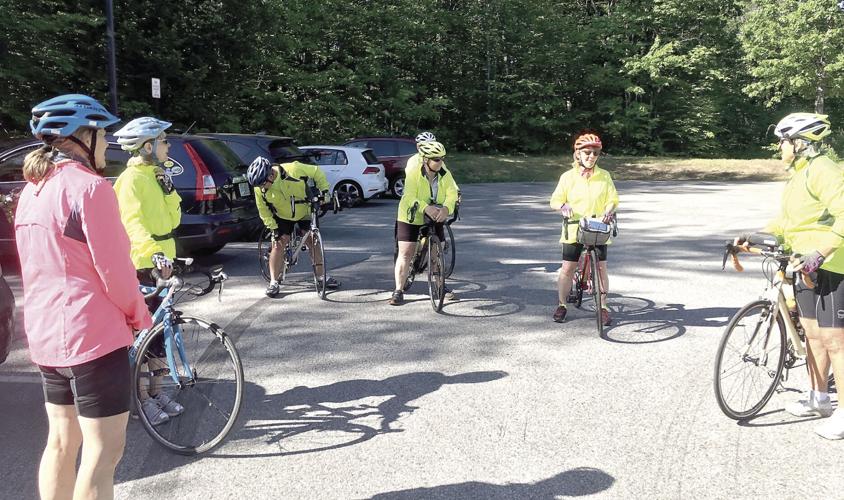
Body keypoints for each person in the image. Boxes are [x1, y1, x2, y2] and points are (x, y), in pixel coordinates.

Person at [15, 94, 151, 500]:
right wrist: (139, 315)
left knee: (60, 443)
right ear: (82, 136)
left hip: (46, 337)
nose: (107, 143)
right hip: (93, 336)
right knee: (104, 450)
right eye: (103, 134)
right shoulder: (91, 188)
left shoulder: (31, 191)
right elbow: (116, 271)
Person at [736, 113, 844, 440]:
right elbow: (786, 223)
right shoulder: (798, 175)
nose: (779, 147)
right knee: (812, 335)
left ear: (800, 143)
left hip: (833, 265)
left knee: (836, 342)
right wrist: (751, 237)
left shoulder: (824, 169)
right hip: (804, 265)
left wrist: (821, 252)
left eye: (783, 141)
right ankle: (819, 397)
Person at [112, 116, 184, 427]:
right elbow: (131, 223)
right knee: (142, 335)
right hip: (145, 262)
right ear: (148, 146)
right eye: (164, 141)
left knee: (162, 332)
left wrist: (168, 190)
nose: (169, 145)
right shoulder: (130, 180)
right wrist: (151, 253)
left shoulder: (156, 175)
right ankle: (141, 399)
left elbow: (174, 220)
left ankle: (157, 392)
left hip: (164, 259)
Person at [549, 132, 619, 325]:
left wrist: (609, 210)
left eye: (596, 153)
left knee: (601, 267)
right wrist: (563, 206)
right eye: (587, 152)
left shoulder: (604, 176)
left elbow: (613, 199)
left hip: (597, 228)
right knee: (568, 268)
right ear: (578, 154)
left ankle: (603, 307)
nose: (591, 156)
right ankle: (562, 304)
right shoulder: (567, 177)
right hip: (574, 228)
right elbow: (555, 200)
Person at [247, 156, 339, 297]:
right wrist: (273, 227)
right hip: (282, 215)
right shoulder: (260, 188)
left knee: (312, 241)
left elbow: (316, 172)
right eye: (258, 185)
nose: (261, 187)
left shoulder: (293, 169)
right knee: (278, 243)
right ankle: (273, 282)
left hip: (304, 210)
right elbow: (263, 210)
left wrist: (325, 191)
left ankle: (321, 277)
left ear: (271, 174)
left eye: (263, 184)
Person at [391, 141, 460, 305]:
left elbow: (452, 194)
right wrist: (425, 208)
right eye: (436, 159)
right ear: (425, 160)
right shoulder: (414, 173)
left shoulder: (445, 173)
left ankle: (440, 286)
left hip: (435, 214)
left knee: (437, 251)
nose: (440, 162)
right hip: (411, 216)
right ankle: (398, 290)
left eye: (442, 158)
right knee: (406, 253)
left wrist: (446, 208)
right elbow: (408, 197)